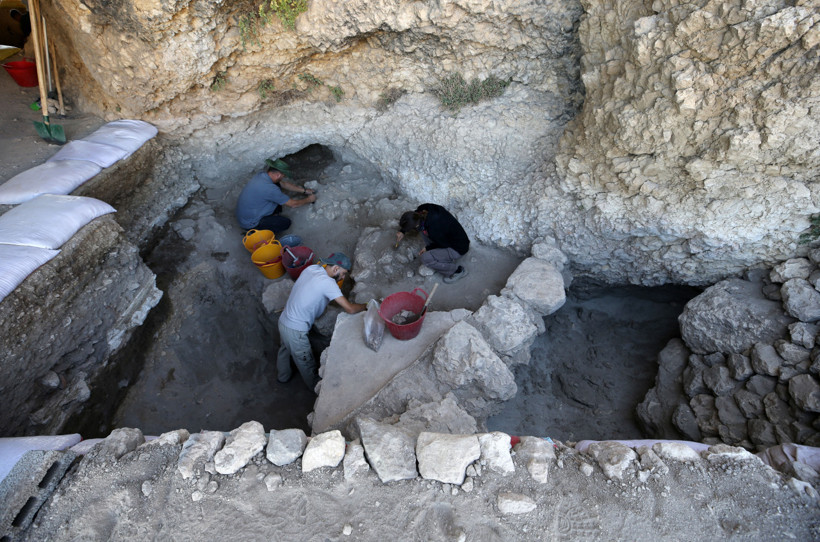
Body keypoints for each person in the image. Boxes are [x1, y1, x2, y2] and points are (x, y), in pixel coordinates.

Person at [277, 252, 366, 391]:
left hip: (284, 320)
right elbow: (350, 309)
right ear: (336, 268)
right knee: (306, 363)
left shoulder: (311, 269)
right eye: (343, 274)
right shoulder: (328, 283)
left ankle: (283, 377)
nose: (342, 277)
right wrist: (366, 305)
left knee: (284, 350)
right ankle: (317, 391)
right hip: (296, 330)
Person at [235, 158, 316, 235]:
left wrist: (304, 190)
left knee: (277, 189)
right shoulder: (270, 189)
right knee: (285, 223)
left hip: (245, 215)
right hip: (250, 223)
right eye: (283, 176)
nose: (283, 178)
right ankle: (256, 232)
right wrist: (309, 199)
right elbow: (293, 204)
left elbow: (283, 184)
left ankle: (270, 215)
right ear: (278, 175)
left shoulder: (262, 175)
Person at [396, 203, 470, 283]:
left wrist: (427, 248)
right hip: (454, 237)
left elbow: (444, 244)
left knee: (425, 258)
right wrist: (402, 231)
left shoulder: (434, 228)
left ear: (416, 225)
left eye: (412, 228)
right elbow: (413, 218)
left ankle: (457, 271)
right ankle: (440, 256)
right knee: (422, 231)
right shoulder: (423, 209)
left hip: (458, 247)